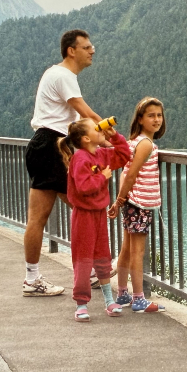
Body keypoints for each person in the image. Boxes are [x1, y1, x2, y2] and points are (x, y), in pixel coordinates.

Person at [23, 29, 103, 297]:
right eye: (87, 47)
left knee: (75, 207)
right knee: (82, 206)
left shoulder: (57, 74)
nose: (92, 51)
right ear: (72, 50)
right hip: (51, 146)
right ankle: (38, 279)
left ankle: (83, 271)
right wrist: (117, 144)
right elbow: (87, 116)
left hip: (47, 145)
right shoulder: (63, 76)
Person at [57, 118, 131, 321]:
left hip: (99, 214)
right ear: (86, 138)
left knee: (102, 257)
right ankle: (81, 303)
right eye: (96, 129)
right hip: (83, 216)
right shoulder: (80, 158)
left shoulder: (101, 154)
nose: (101, 130)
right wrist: (102, 177)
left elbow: (124, 155)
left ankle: (109, 300)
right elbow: (83, 187)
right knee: (83, 259)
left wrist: (114, 135)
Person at [108, 97, 167, 313]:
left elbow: (126, 171)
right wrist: (119, 200)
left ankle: (122, 293)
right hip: (139, 203)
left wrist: (122, 200)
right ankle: (139, 298)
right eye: (151, 115)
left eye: (159, 115)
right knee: (137, 252)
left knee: (126, 249)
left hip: (132, 202)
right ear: (140, 119)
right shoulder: (145, 144)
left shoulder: (134, 142)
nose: (156, 119)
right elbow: (131, 174)